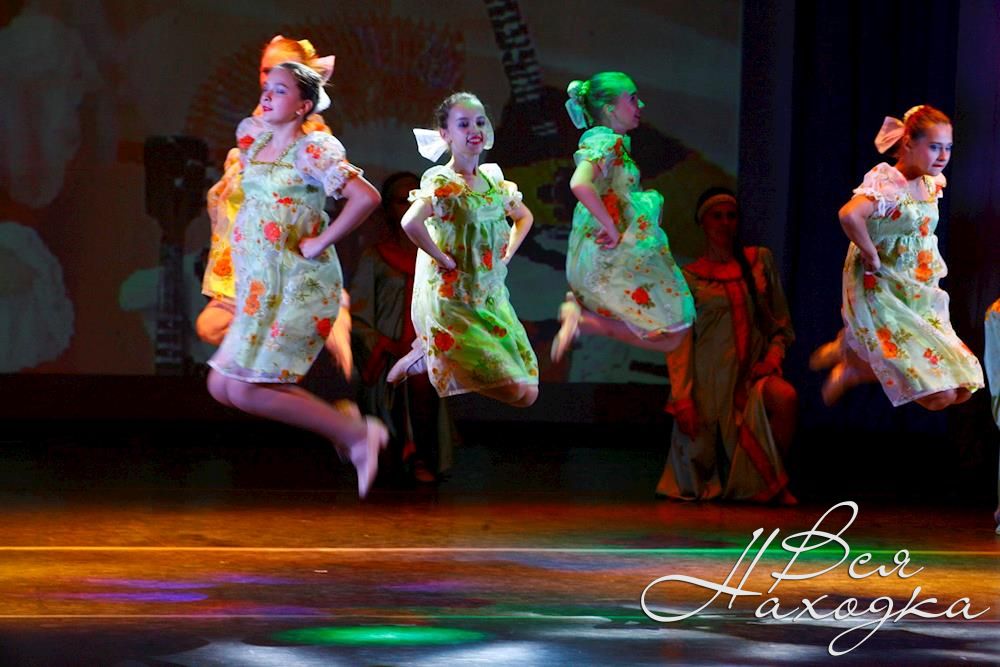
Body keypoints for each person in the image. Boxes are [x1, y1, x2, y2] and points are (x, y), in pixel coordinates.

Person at [206, 62, 386, 497]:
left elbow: (366, 197)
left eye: (280, 90)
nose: (267, 95)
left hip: (298, 285)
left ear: (304, 106)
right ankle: (352, 432)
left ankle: (359, 436)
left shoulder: (312, 151)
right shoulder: (255, 143)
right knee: (222, 386)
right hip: (259, 288)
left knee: (247, 391)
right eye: (266, 88)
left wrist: (322, 239)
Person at [196, 36, 353, 376]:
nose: (268, 79)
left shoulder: (308, 136)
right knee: (212, 330)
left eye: (279, 73)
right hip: (248, 254)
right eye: (265, 70)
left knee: (234, 362)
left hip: (276, 261)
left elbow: (354, 195)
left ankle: (320, 314)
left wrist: (319, 243)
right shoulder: (256, 129)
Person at [813, 105, 983, 409]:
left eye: (948, 148)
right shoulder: (888, 183)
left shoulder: (931, 182)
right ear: (908, 143)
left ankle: (850, 349)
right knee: (939, 397)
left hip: (916, 289)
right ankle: (857, 365)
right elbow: (849, 215)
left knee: (963, 389)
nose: (943, 156)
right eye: (934, 147)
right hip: (882, 286)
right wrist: (870, 252)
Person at [387, 92, 539, 407]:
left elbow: (524, 217)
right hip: (454, 300)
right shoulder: (445, 182)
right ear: (445, 134)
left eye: (480, 122)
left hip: (489, 296)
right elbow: (410, 222)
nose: (475, 129)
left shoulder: (495, 182)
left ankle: (427, 354)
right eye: (464, 124)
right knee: (515, 390)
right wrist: (441, 258)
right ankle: (431, 355)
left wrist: (507, 253)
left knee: (529, 394)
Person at [656, 188, 797, 502]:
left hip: (749, 376)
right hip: (709, 382)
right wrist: (682, 397)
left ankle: (767, 480)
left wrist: (772, 359)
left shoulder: (758, 261)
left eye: (731, 216)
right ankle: (749, 481)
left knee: (785, 397)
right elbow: (678, 342)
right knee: (701, 465)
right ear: (702, 222)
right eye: (716, 216)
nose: (724, 222)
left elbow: (779, 324)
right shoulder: (689, 278)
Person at [551, 71, 694, 362]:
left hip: (608, 255)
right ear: (610, 109)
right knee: (675, 330)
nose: (640, 105)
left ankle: (584, 321)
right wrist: (611, 227)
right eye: (632, 99)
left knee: (674, 334)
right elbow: (579, 183)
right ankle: (583, 320)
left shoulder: (612, 144)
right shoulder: (606, 144)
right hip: (612, 255)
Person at [350, 172, 454, 482]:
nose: (409, 206)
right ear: (388, 210)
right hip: (387, 353)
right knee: (393, 407)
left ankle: (424, 458)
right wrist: (382, 345)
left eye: (415, 198)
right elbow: (359, 314)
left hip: (428, 350)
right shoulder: (375, 257)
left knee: (426, 402)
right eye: (401, 200)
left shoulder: (440, 256)